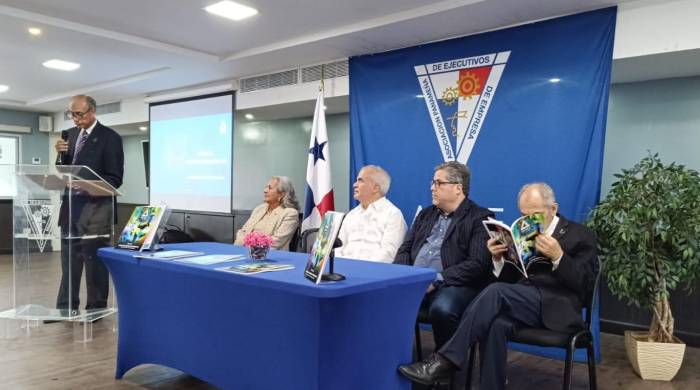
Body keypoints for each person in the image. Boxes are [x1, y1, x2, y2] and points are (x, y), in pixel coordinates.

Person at [398, 183, 599, 390]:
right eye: (523, 215)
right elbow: (507, 281)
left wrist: (559, 257)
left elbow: (584, 284)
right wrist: (498, 259)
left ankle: (445, 360)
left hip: (557, 308)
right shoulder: (523, 232)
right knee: (494, 323)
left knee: (496, 293)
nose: (528, 221)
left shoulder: (579, 235)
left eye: (535, 215)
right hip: (523, 303)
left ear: (553, 208)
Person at [394, 161, 493, 348]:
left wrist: (435, 279)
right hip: (415, 281)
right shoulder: (426, 214)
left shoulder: (479, 217)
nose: (432, 188)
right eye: (433, 182)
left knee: (443, 309)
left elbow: (477, 264)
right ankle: (393, 360)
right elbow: (404, 250)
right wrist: (406, 276)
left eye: (439, 183)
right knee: (381, 299)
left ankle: (444, 366)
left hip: (453, 284)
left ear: (458, 188)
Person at [54, 94, 124, 315]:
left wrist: (86, 186)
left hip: (97, 212)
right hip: (71, 209)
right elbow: (64, 169)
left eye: (79, 114)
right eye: (71, 114)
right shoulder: (71, 135)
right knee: (69, 263)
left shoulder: (110, 138)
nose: (75, 119)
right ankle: (66, 308)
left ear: (93, 111)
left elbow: (115, 178)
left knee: (94, 264)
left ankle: (96, 309)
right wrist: (60, 156)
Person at [335, 165, 406, 262]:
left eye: (360, 181)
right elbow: (338, 247)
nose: (354, 185)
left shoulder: (393, 215)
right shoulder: (351, 215)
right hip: (344, 270)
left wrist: (362, 269)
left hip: (374, 272)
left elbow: (389, 254)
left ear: (375, 188)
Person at [235, 176, 300, 250]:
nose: (265, 190)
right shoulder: (259, 209)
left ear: (281, 194)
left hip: (271, 256)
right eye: (266, 187)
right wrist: (239, 248)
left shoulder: (290, 213)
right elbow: (243, 231)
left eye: (270, 188)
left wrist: (250, 247)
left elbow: (276, 242)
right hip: (245, 251)